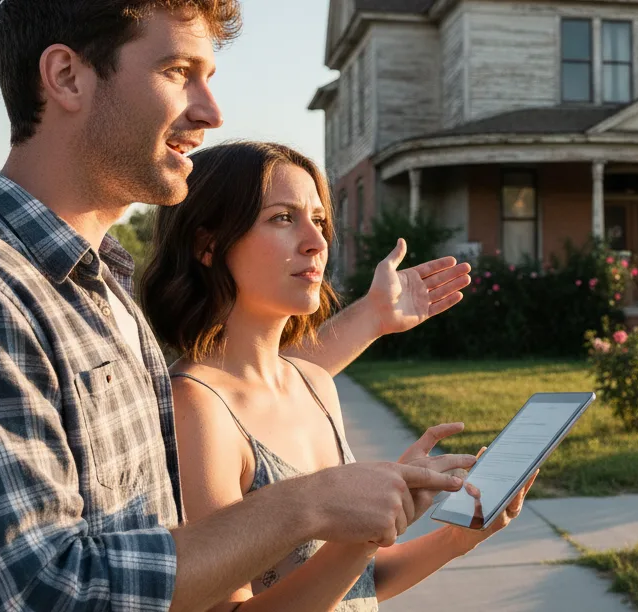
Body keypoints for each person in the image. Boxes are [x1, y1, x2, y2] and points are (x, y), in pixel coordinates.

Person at [0, 2, 474, 610]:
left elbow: (262, 378)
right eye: (177, 71)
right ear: (65, 77)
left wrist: (369, 320)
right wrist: (309, 502)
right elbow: (47, 591)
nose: (211, 112)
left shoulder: (102, 289)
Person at [140, 140, 538, 612]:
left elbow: (359, 583)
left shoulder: (315, 384)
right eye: (282, 218)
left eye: (319, 219)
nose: (316, 241)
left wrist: (456, 537)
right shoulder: (197, 408)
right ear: (208, 245)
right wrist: (367, 533)